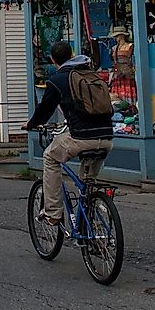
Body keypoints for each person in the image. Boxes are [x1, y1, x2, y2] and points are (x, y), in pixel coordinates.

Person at [22, 41, 114, 226]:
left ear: (52, 59)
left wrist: (31, 124)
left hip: (81, 137)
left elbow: (45, 109)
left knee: (50, 157)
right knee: (87, 183)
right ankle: (91, 224)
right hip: (106, 137)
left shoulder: (58, 79)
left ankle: (53, 213)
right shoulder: (90, 73)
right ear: (72, 55)